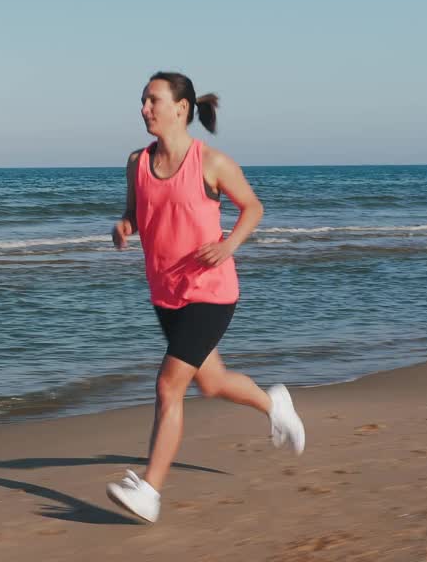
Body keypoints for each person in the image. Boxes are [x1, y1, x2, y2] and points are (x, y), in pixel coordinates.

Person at [105, 71, 305, 524]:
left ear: (181, 108)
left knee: (167, 386)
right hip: (167, 294)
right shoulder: (137, 162)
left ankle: (150, 491)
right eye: (142, 101)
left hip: (211, 293)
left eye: (153, 100)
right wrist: (124, 227)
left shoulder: (210, 162)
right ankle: (275, 404)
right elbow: (136, 213)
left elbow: (253, 207)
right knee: (210, 383)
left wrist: (229, 245)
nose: (144, 109)